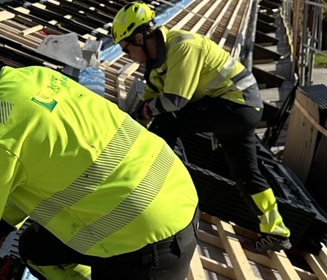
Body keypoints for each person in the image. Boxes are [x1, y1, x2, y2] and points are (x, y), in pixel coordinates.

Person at [0, 16, 200, 280]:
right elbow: (31, 169)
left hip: (150, 242)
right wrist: (2, 230)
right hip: (174, 189)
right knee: (36, 248)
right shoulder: (29, 79)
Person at [111, 2, 291, 253]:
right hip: (237, 109)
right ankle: (277, 231)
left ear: (139, 38)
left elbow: (175, 100)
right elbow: (151, 96)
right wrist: (135, 117)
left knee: (168, 121)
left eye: (126, 48)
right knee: (245, 174)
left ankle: (157, 190)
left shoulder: (183, 46)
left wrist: (145, 113)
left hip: (238, 106)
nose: (126, 55)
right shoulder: (155, 60)